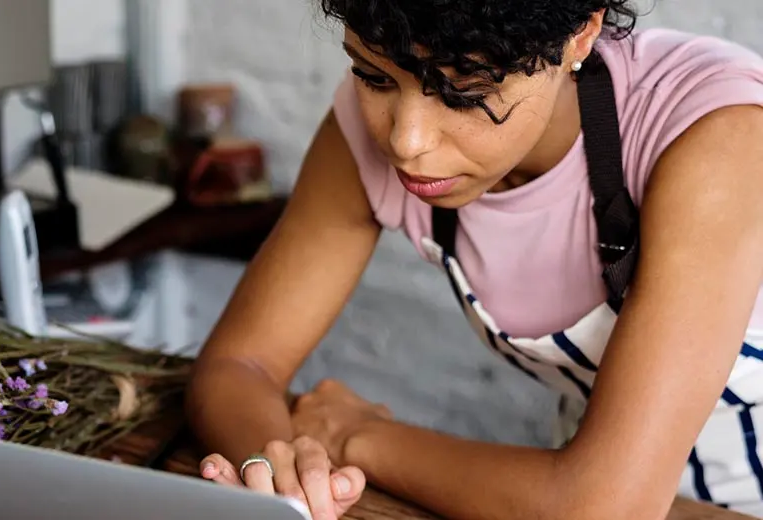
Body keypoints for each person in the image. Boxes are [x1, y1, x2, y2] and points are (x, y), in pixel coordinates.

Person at [184, 1, 763, 519]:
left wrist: (359, 438)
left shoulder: (718, 136)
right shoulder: (376, 137)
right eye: (373, 76)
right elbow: (240, 364)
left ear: (580, 36)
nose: (407, 142)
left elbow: (602, 508)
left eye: (464, 93)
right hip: (582, 477)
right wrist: (278, 466)